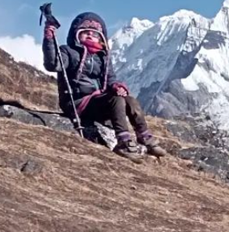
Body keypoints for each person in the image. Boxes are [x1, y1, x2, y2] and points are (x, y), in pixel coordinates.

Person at [42, 12, 166, 162]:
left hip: (97, 101)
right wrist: (49, 37)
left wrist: (115, 86)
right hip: (77, 102)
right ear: (76, 34)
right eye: (85, 32)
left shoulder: (103, 57)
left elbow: (110, 79)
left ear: (101, 38)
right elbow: (52, 64)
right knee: (116, 100)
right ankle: (123, 141)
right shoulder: (68, 52)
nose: (89, 35)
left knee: (129, 100)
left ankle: (145, 137)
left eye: (94, 34)